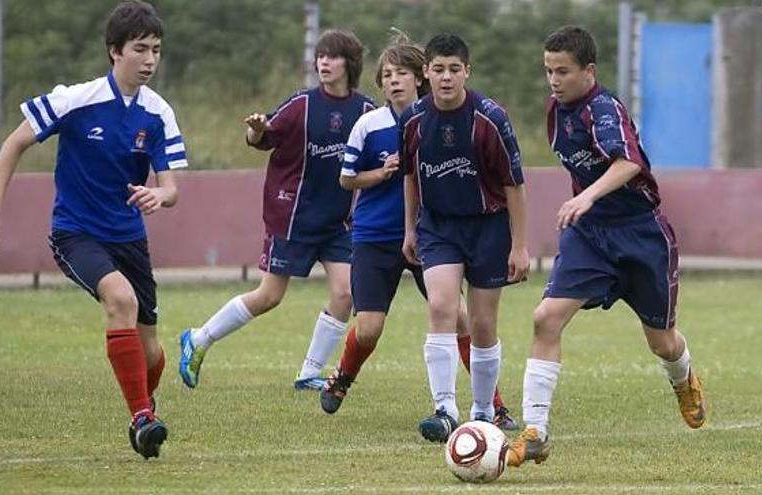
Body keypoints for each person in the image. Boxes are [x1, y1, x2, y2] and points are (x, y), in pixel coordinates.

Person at [0, 0, 185, 459]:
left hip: (129, 236)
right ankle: (142, 419)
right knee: (120, 300)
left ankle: (144, 407)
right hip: (76, 232)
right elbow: (14, 143)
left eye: (156, 50)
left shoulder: (158, 113)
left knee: (152, 352)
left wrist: (159, 195)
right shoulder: (75, 99)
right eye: (140, 49)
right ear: (114, 52)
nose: (150, 60)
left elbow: (171, 188)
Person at [506, 26, 707, 468]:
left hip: (640, 235)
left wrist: (586, 194)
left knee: (662, 342)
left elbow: (629, 162)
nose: (553, 81)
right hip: (590, 235)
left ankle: (683, 377)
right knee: (546, 318)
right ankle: (535, 431)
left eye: (563, 71)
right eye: (548, 71)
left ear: (589, 71)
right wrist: (587, 205)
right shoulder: (556, 111)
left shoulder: (603, 108)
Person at [318, 33, 518, 430]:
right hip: (376, 236)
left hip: (431, 235)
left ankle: (490, 405)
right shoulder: (372, 124)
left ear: (419, 78)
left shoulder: (444, 117)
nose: (394, 81)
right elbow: (348, 178)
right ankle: (343, 375)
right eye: (387, 75)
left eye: (402, 74)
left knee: (458, 316)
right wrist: (380, 173)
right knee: (370, 328)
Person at [178, 30, 375, 391]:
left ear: (350, 64)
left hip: (337, 222)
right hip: (292, 216)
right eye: (320, 56)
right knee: (269, 296)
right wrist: (255, 131)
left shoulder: (365, 111)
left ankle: (309, 373)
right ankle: (199, 338)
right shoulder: (301, 104)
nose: (324, 62)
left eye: (332, 56)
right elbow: (262, 137)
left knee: (346, 292)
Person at [399, 33, 530, 443]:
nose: (446, 77)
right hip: (438, 226)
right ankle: (444, 410)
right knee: (440, 305)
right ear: (426, 72)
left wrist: (520, 244)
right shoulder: (414, 120)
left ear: (467, 72)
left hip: (488, 226)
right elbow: (409, 175)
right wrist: (409, 226)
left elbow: (514, 184)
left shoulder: (490, 118)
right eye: (438, 69)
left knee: (483, 324)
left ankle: (482, 411)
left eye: (454, 69)